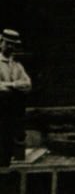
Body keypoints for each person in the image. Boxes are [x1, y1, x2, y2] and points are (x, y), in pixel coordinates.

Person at [0, 29, 32, 168]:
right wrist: (15, 87)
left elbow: (27, 84)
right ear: (1, 42)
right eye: (8, 43)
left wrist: (10, 85)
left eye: (13, 44)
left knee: (7, 146)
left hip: (11, 115)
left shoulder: (17, 65)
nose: (11, 47)